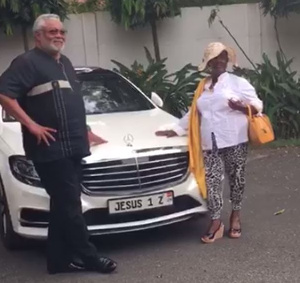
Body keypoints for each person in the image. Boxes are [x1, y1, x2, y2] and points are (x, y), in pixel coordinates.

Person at [0, 14, 117, 274]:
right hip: (50, 148)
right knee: (70, 205)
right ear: (38, 36)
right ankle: (89, 256)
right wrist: (31, 124)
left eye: (62, 31)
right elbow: (4, 93)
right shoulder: (26, 62)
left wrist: (85, 131)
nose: (59, 35)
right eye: (52, 31)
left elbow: (70, 102)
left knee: (63, 205)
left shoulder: (64, 61)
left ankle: (57, 261)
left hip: (74, 145)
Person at [156, 42, 263, 243]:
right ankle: (216, 221)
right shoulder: (202, 86)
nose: (220, 61)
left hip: (234, 139)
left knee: (236, 179)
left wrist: (241, 107)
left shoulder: (237, 83)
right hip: (209, 142)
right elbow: (194, 112)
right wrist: (176, 129)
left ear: (227, 61)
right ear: (209, 63)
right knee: (212, 182)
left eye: (223, 57)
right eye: (215, 58)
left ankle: (236, 215)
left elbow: (257, 105)